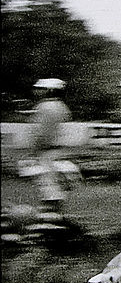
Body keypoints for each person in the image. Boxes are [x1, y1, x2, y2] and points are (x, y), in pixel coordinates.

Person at [30, 78, 72, 215]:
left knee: (47, 185)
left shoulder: (43, 107)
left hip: (46, 150)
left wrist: (34, 151)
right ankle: (56, 213)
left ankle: (50, 216)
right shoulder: (62, 107)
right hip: (59, 150)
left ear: (49, 90)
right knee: (55, 183)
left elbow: (40, 132)